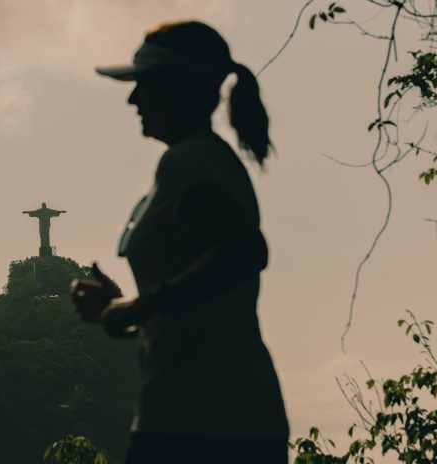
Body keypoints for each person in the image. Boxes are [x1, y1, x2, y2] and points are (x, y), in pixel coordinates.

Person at [70, 20, 289, 463]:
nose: (133, 99)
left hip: (202, 422)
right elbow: (197, 294)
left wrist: (142, 305)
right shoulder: (200, 161)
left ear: (178, 88)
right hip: (212, 415)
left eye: (143, 85)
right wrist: (121, 309)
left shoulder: (190, 161)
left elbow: (244, 250)